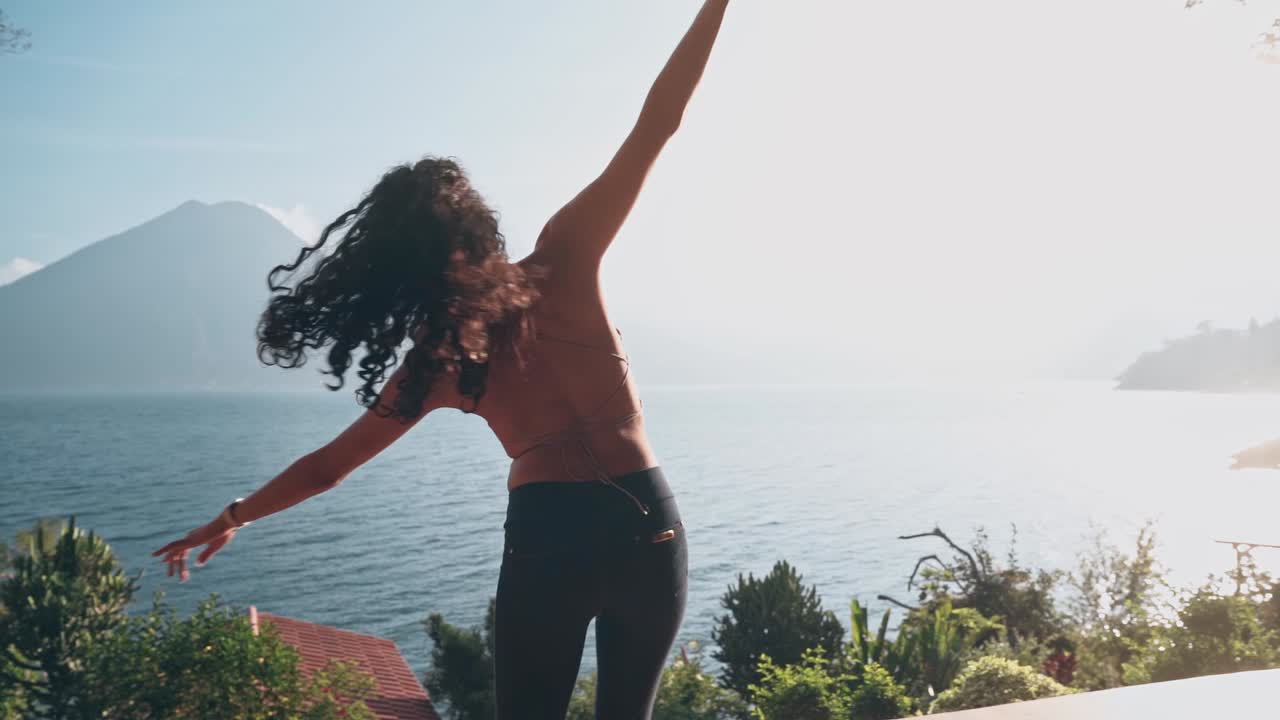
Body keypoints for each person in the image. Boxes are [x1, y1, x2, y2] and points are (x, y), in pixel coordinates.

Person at [153, 2, 731, 717]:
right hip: (649, 518)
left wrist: (234, 515)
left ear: (397, 267)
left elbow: (327, 468)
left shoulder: (442, 362)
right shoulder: (565, 257)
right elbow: (656, 126)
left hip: (549, 534)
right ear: (478, 223)